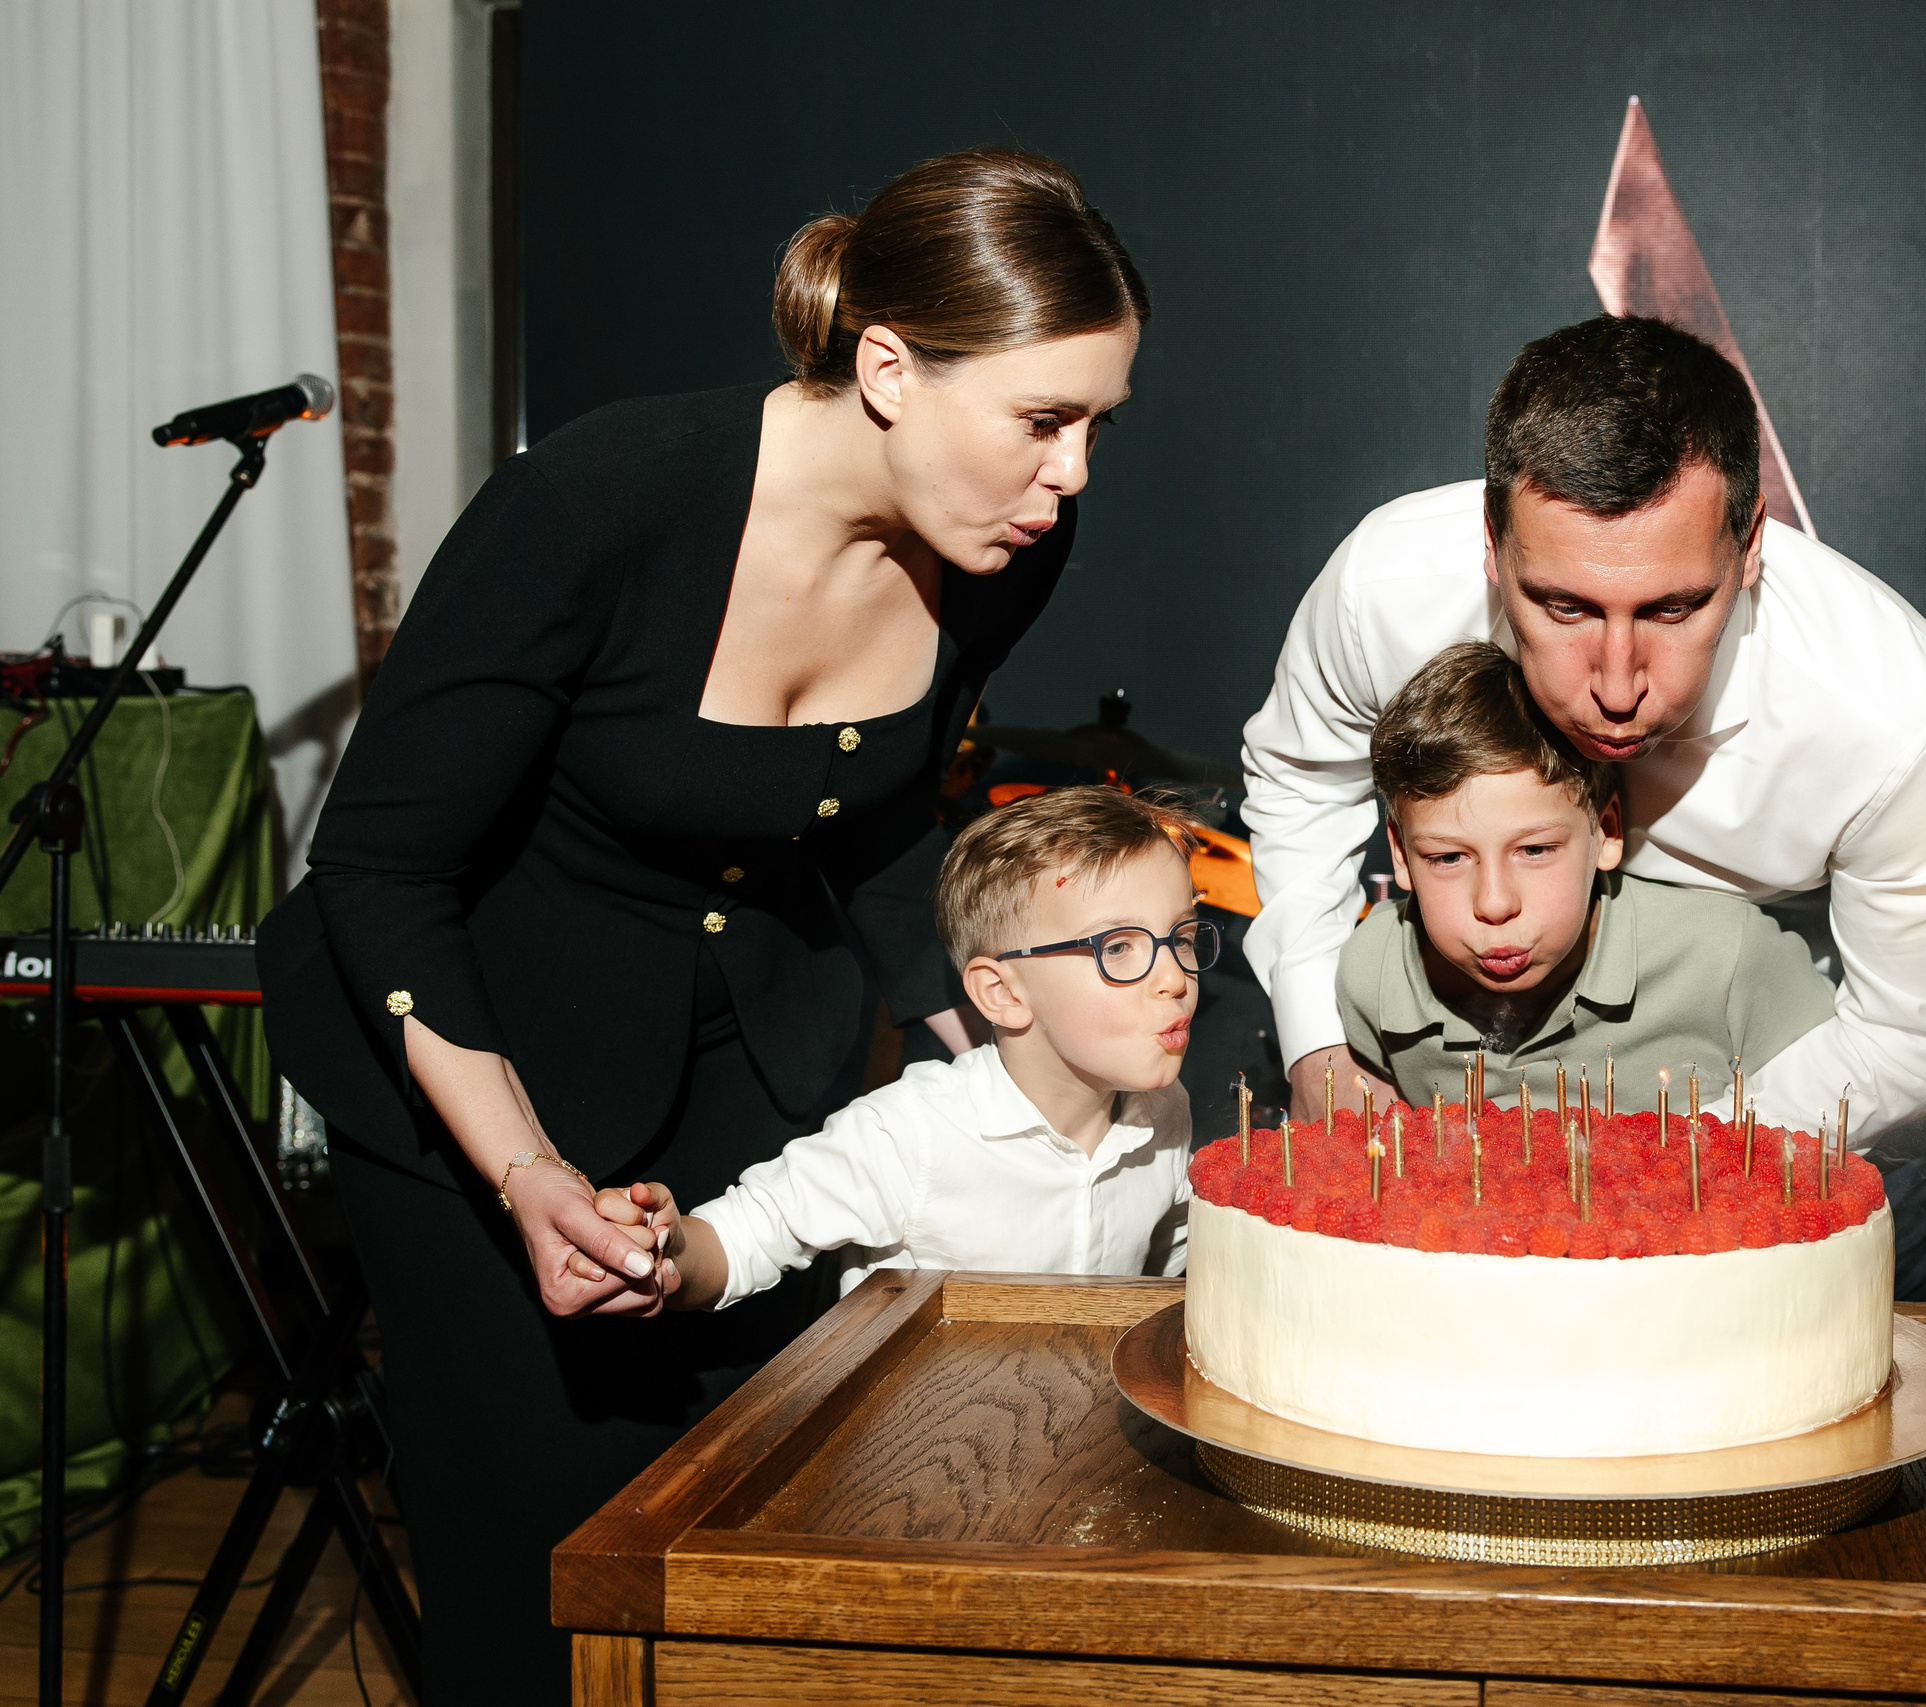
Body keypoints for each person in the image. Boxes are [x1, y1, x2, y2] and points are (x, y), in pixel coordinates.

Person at [255, 148, 1147, 1706]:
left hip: (745, 1047)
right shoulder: (592, 505)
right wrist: (529, 1171)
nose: (1072, 476)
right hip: (472, 1057)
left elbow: (867, 836)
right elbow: (381, 870)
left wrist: (1005, 1035)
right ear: (887, 368)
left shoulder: (1007, 545)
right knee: (544, 1573)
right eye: (1043, 419)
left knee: (765, 1530)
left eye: (1096, 426)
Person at [1242, 314, 1926, 1150]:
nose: (1616, 684)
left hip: (1765, 1085)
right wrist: (1316, 1043)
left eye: (1674, 608)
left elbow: (1923, 1033)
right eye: (1563, 605)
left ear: (1749, 546)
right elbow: (1300, 780)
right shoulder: (1383, 592)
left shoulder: (1891, 716)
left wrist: (1667, 1168)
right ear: (1493, 550)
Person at [597, 787, 1200, 1309]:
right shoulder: (905, 1135)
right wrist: (667, 1249)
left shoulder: (1166, 1111)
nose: (1176, 975)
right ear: (1002, 993)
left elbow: (1171, 1275)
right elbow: (746, 1234)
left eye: (1184, 936)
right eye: (1119, 947)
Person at [1338, 639, 1834, 1107]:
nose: (1493, 903)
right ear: (1400, 854)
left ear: (1607, 831)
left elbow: (1837, 1122)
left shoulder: (1729, 958)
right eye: (1448, 858)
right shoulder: (1374, 975)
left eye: (1534, 849)